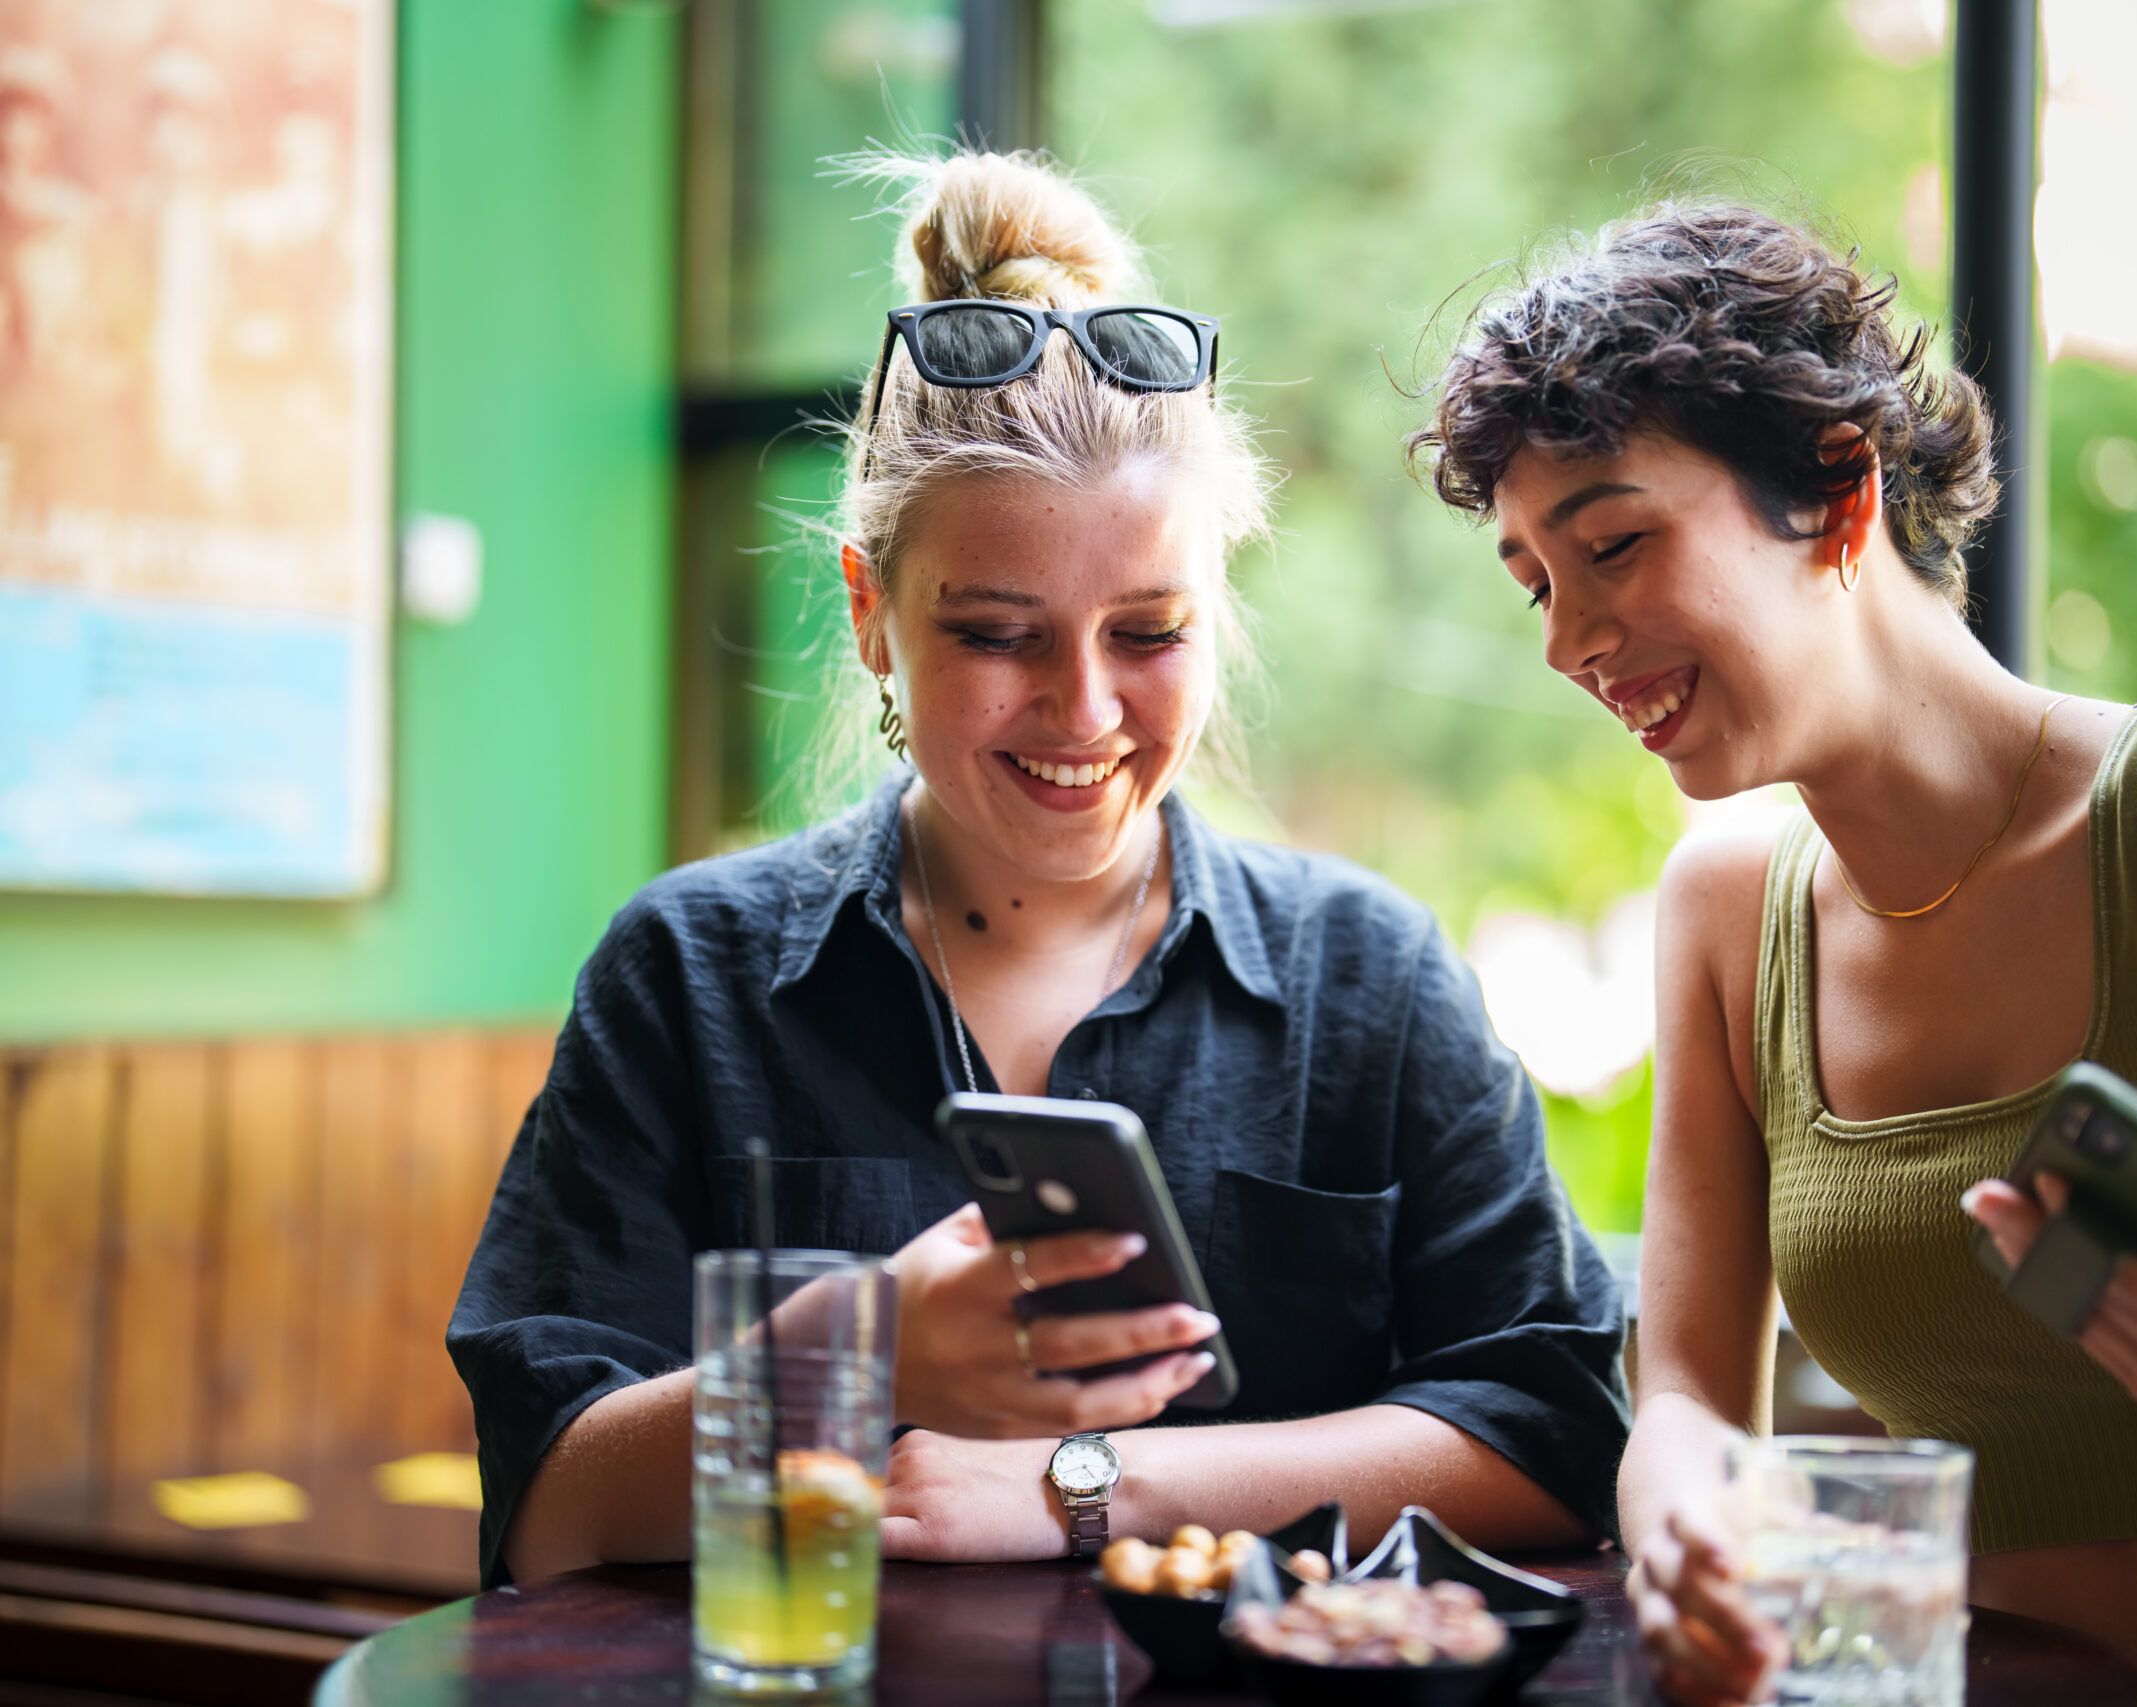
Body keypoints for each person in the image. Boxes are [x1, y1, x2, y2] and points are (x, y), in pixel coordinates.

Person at [1410, 199, 2137, 1703]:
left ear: (1838, 492)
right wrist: (1681, 1512)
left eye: (1614, 544)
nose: (1570, 642)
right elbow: (1689, 1389)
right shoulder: (1729, 912)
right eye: (1536, 585)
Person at [449, 152, 1627, 1590]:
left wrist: (1084, 1486)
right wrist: (853, 1353)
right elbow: (545, 1506)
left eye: (1148, 633)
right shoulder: (688, 972)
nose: (1082, 712)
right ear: (871, 616)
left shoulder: (1367, 979)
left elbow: (1559, 1433)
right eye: (998, 636)